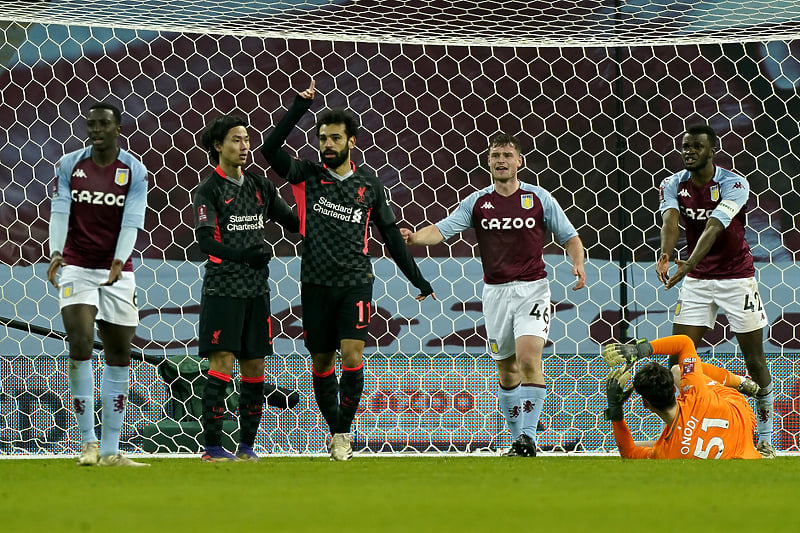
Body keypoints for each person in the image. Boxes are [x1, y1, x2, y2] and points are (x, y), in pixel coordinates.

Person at [260, 80, 435, 461]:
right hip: (316, 282)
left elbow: (390, 236)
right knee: (322, 362)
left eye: (335, 138)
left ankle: (342, 433)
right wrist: (297, 108)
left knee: (352, 356)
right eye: (323, 138)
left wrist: (418, 279)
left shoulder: (369, 185)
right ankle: (337, 430)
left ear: (351, 141)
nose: (328, 144)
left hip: (356, 282)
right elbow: (268, 150)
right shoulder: (306, 174)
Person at [402, 132, 586, 457]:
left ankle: (529, 436)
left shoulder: (539, 198)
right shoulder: (477, 203)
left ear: (519, 161)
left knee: (529, 357)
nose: (501, 160)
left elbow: (570, 236)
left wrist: (578, 264)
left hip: (533, 289)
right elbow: (443, 229)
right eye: (495, 155)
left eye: (507, 155)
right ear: (488, 162)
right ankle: (519, 441)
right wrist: (415, 237)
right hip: (495, 294)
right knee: (506, 368)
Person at [656, 123, 775, 458]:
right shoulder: (672, 183)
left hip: (736, 278)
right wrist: (666, 253)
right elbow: (670, 221)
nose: (689, 151)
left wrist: (688, 263)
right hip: (697, 281)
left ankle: (764, 435)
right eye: (685, 146)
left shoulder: (734, 184)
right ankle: (678, 431)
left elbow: (714, 226)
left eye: (696, 146)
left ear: (712, 151)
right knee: (678, 361)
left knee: (754, 358)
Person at [193, 114, 300, 462]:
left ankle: (247, 450)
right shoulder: (209, 190)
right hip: (223, 290)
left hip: (257, 292)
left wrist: (323, 205)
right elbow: (205, 241)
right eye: (237, 140)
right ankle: (211, 449)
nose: (244, 146)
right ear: (218, 145)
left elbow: (295, 222)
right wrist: (242, 255)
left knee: (255, 370)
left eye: (247, 139)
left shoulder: (260, 186)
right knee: (221, 366)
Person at [47, 101, 149, 467]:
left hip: (118, 271)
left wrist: (119, 262)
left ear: (117, 127)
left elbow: (131, 222)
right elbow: (61, 210)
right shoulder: (70, 164)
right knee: (81, 341)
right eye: (90, 124)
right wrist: (56, 252)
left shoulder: (134, 171)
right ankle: (87, 442)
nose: (95, 129)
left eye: (103, 124)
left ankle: (110, 450)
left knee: (119, 354)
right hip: (76, 266)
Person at [602, 335, 762, 459]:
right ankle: (740, 382)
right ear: (673, 388)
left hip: (734, 448)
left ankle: (741, 383)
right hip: (744, 417)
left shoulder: (666, 453)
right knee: (678, 370)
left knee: (670, 441)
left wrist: (616, 408)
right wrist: (640, 350)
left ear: (645, 404)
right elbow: (685, 342)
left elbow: (629, 452)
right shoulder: (696, 391)